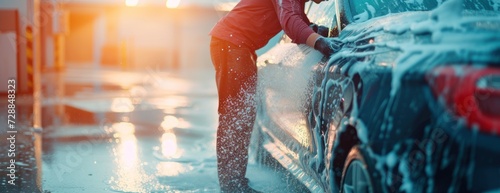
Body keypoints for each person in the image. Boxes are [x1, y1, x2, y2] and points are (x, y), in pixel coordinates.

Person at [209, 0, 342, 192]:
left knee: (242, 114)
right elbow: (290, 21)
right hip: (232, 43)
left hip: (236, 44)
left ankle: (234, 184)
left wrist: (316, 30)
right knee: (237, 115)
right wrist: (320, 42)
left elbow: (296, 20)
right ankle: (233, 186)